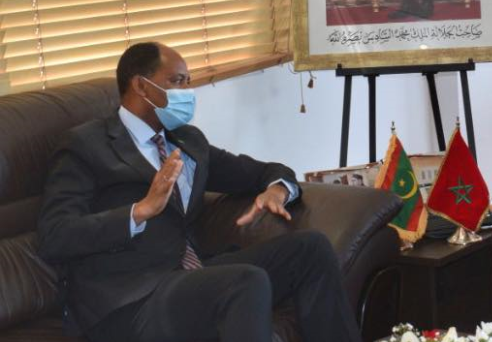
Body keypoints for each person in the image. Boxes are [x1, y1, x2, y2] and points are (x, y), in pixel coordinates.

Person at [38, 42, 361, 342]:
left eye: (188, 82)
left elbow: (263, 171)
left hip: (193, 277)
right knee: (244, 281)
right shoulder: (86, 145)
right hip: (129, 298)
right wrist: (140, 211)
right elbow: (56, 235)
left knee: (311, 249)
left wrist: (277, 190)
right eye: (177, 81)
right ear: (141, 86)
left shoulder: (187, 141)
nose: (187, 92)